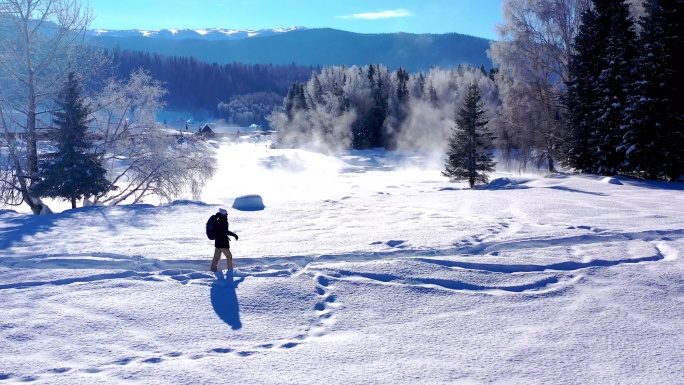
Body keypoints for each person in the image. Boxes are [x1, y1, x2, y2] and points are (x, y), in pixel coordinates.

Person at [211, 208, 239, 272]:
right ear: (223, 214)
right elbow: (225, 231)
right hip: (223, 243)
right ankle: (230, 270)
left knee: (216, 258)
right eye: (226, 213)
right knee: (229, 256)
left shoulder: (217, 221)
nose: (227, 214)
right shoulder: (223, 221)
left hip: (218, 242)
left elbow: (221, 231)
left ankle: (213, 270)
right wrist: (234, 235)